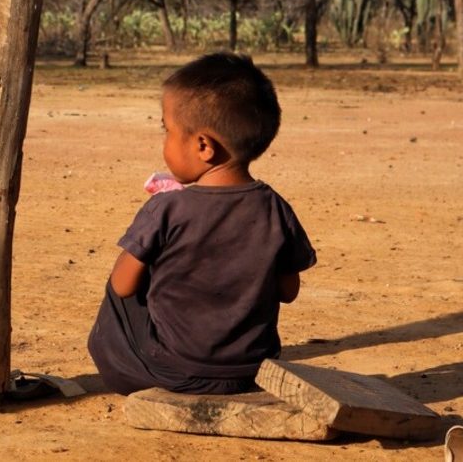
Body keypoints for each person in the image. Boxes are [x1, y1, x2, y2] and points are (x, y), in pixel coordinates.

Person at [87, 52, 317, 395]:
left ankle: (134, 377)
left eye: (168, 130)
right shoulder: (276, 208)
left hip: (174, 370)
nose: (164, 140)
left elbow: (122, 287)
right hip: (253, 371)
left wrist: (145, 240)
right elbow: (289, 291)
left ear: (203, 146)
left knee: (124, 282)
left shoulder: (166, 209)